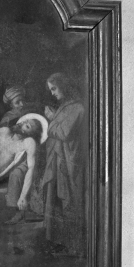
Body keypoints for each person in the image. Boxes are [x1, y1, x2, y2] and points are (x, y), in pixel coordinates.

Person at [42, 73, 87, 257]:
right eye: (50, 90)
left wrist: (51, 119)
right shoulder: (66, 107)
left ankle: (73, 246)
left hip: (68, 164)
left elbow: (63, 133)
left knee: (68, 201)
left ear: (63, 85)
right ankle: (58, 242)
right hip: (58, 161)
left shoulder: (77, 108)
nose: (53, 93)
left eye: (54, 88)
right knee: (55, 201)